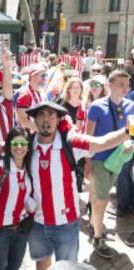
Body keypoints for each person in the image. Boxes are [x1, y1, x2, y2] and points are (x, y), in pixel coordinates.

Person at [0, 101, 130, 269]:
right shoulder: (27, 144)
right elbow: (0, 146)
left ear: (58, 120)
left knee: (67, 266)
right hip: (37, 222)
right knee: (42, 262)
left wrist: (129, 131)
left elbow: (101, 142)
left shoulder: (70, 141)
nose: (46, 119)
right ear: (34, 120)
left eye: (51, 114)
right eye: (41, 114)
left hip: (66, 222)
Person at [86, 70, 134, 259]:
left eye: (127, 84)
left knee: (100, 199)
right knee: (103, 200)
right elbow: (88, 138)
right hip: (99, 158)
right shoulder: (97, 107)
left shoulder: (131, 105)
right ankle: (98, 237)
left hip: (119, 159)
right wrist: (87, 161)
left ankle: (92, 224)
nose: (125, 88)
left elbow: (132, 133)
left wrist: (131, 144)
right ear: (110, 85)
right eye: (121, 84)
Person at [0, 127, 35, 270]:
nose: (19, 147)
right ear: (9, 146)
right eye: (15, 143)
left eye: (23, 144)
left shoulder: (29, 168)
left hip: (20, 228)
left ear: (28, 147)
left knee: (15, 266)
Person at [16, 64, 47, 131]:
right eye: (42, 75)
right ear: (32, 77)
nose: (45, 78)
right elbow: (23, 121)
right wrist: (42, 131)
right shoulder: (26, 95)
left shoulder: (41, 92)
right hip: (29, 136)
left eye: (45, 75)